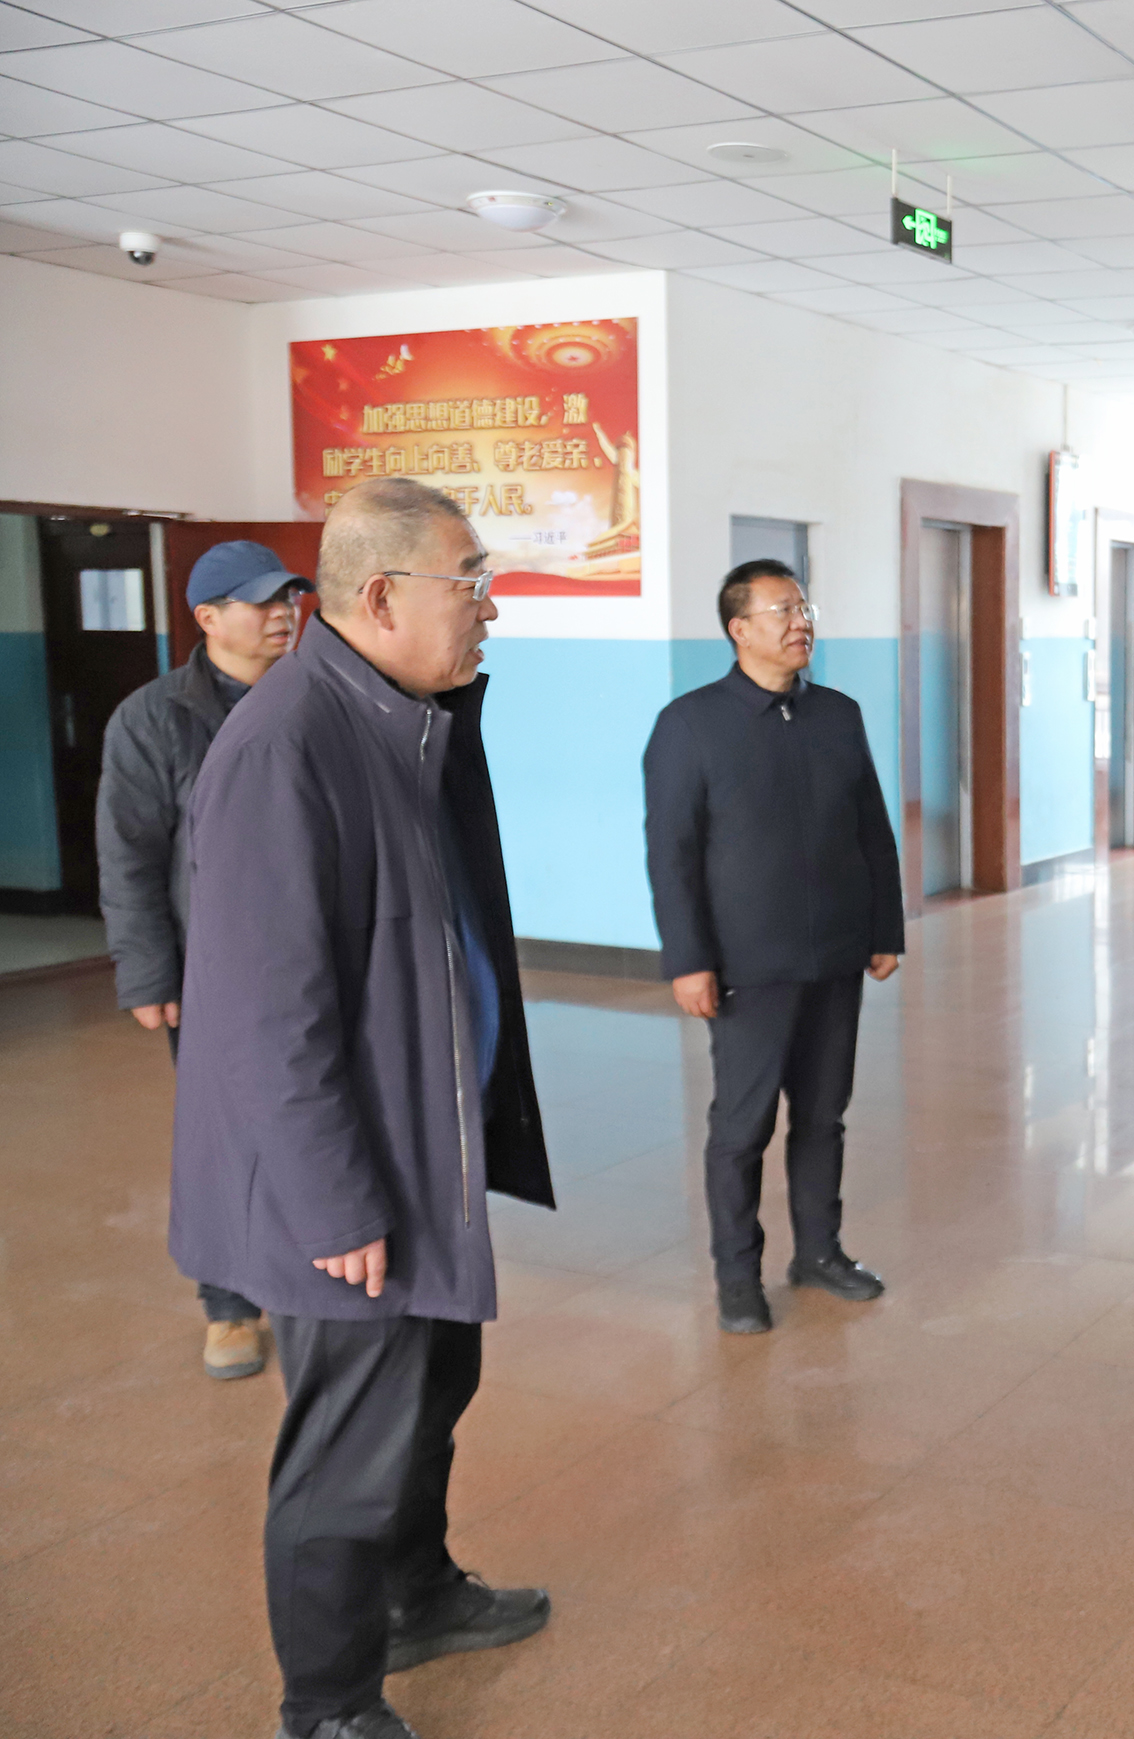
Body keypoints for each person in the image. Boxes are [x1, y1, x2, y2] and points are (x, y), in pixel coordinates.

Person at [170, 478, 555, 1739]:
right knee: (346, 1448)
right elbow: (265, 1016)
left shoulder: (403, 715)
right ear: (382, 596)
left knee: (433, 1387)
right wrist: (334, 1202)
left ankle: (417, 1593)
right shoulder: (286, 745)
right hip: (343, 1182)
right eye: (472, 581)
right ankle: (328, 1701)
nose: (490, 607)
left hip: (418, 1142)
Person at [644, 558, 903, 1336]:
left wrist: (884, 928)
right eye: (782, 610)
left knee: (824, 1115)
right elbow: (671, 854)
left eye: (804, 608)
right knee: (742, 1126)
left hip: (835, 956)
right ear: (739, 629)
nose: (801, 623)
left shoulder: (838, 714)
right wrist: (689, 959)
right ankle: (737, 1276)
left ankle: (819, 1252)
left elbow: (873, 828)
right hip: (748, 965)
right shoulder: (690, 724)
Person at [97, 540, 305, 1380]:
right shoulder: (154, 718)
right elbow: (130, 853)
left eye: (290, 597)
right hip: (212, 970)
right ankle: (230, 1305)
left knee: (315, 1116)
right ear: (209, 618)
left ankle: (308, 1270)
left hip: (314, 959)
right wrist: (149, 973)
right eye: (263, 602)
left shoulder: (319, 698)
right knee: (227, 1134)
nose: (284, 613)